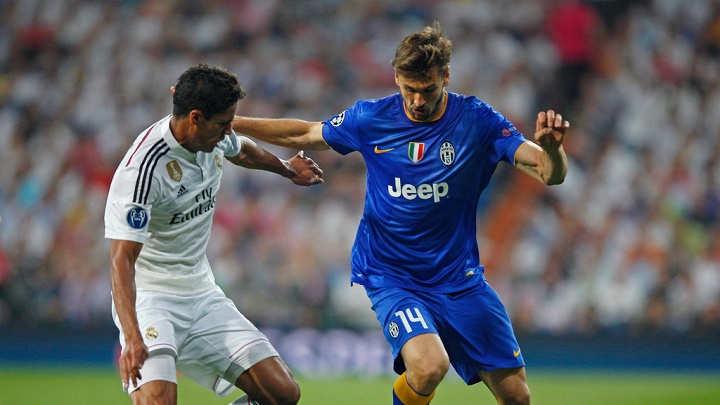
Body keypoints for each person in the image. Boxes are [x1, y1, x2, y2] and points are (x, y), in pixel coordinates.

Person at [232, 21, 568, 405]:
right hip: (391, 275)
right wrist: (231, 122)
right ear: (396, 78)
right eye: (410, 90)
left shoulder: (478, 121)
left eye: (428, 90)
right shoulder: (372, 119)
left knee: (517, 397)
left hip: (459, 279)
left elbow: (548, 173)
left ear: (445, 76)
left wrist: (553, 150)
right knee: (428, 366)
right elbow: (305, 134)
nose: (418, 101)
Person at [104, 63, 323, 405]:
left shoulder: (214, 137)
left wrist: (286, 169)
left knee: (282, 395)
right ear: (195, 118)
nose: (228, 132)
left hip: (201, 293)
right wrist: (132, 339)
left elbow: (244, 150)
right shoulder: (143, 171)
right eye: (223, 124)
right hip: (153, 299)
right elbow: (121, 261)